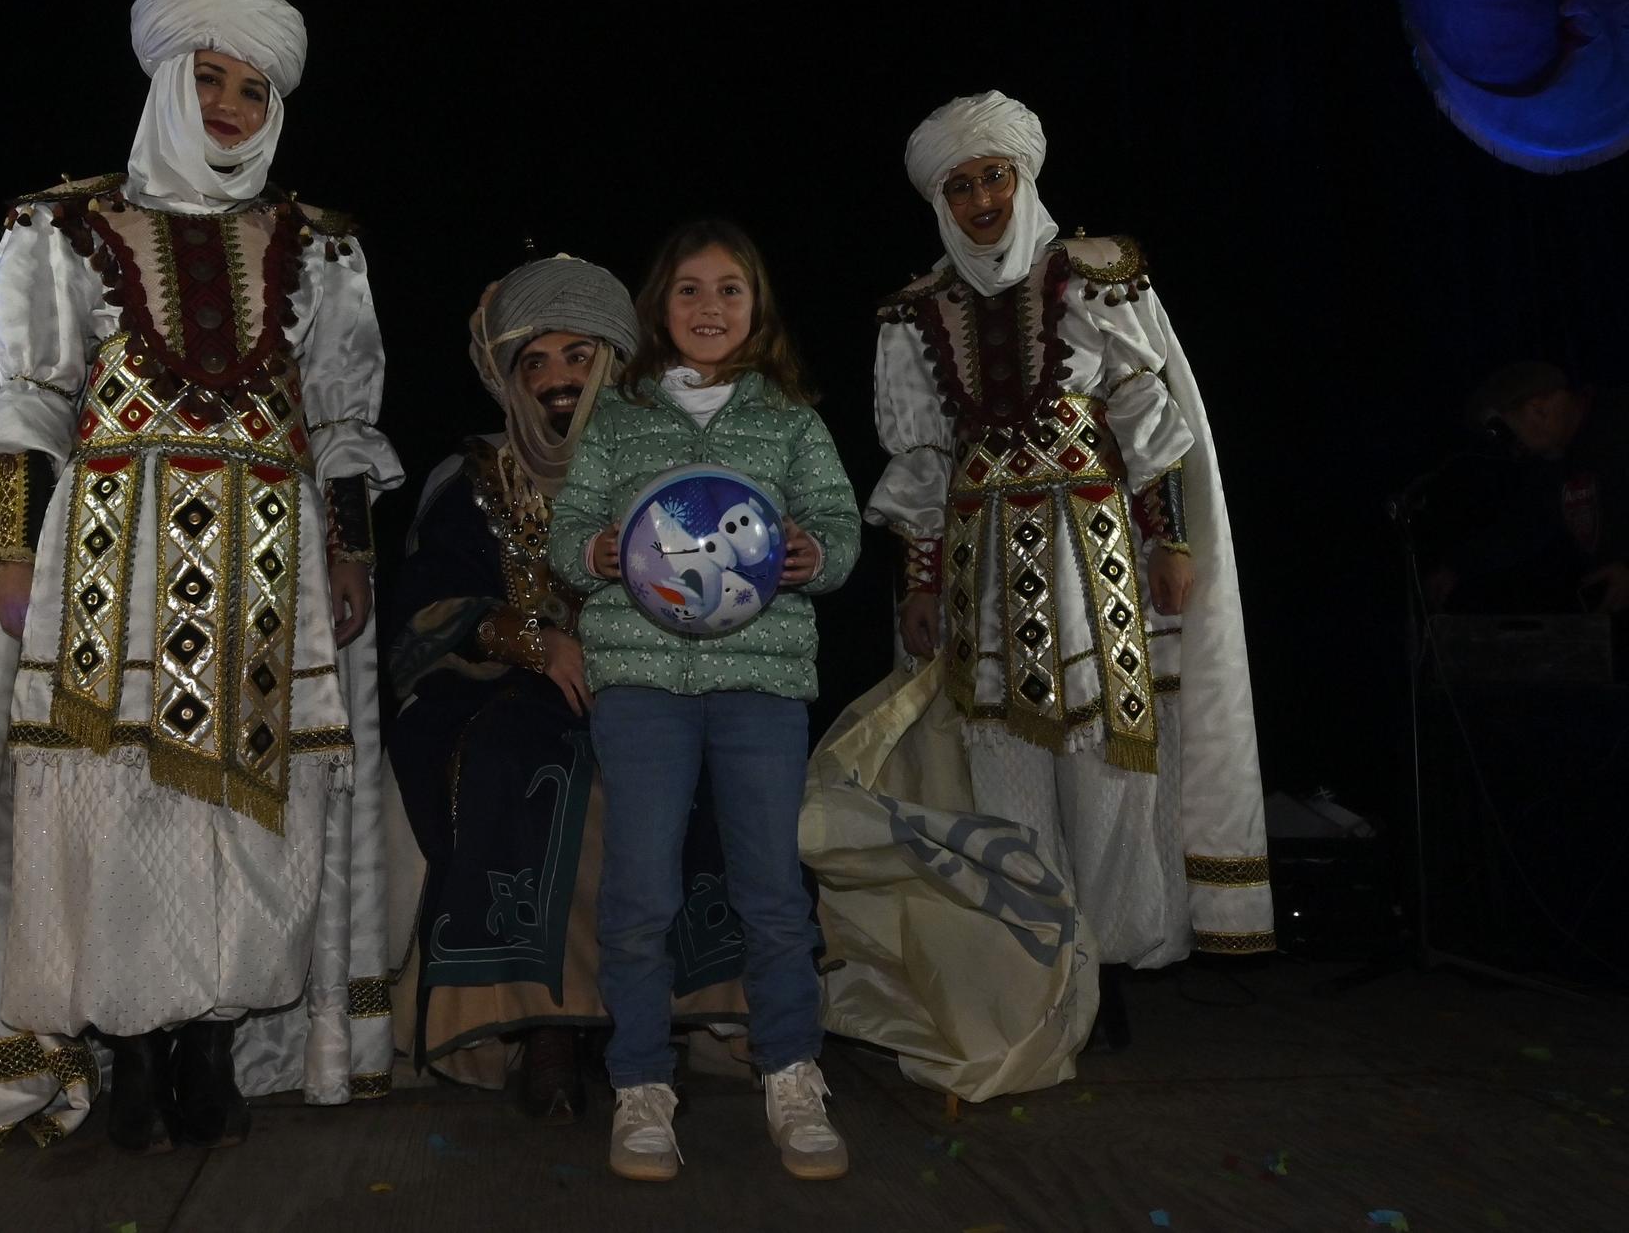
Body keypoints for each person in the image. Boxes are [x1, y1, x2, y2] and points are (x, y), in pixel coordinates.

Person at [0, 0, 402, 1167]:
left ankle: (213, 1043)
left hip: (271, 566)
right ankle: (127, 1053)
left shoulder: (320, 247)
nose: (228, 104)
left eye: (251, 87)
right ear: (167, 81)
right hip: (113, 545)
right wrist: (12, 545)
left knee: (255, 813)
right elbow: (36, 398)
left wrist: (352, 549)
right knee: (113, 811)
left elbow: (338, 420)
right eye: (208, 78)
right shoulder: (59, 224)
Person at [866, 91, 1272, 1045]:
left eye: (993, 177)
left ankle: (1111, 964)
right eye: (960, 185)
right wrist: (921, 582)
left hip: (1095, 564)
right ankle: (1038, 969)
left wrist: (1171, 541)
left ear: (1025, 177)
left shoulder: (1095, 277)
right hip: (979, 575)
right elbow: (921, 466)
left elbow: (1146, 418)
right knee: (1001, 768)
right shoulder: (914, 313)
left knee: (1108, 765)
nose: (980, 200)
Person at [386, 255, 746, 1122]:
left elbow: (723, 582)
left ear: (615, 364)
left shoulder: (670, 461)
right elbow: (425, 612)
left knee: (681, 754)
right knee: (526, 759)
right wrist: (534, 640)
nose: (555, 380)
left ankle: (652, 1022)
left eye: (576, 358)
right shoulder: (470, 478)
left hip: (657, 684)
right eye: (534, 363)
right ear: (507, 378)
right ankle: (545, 1031)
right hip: (499, 694)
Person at [547, 220, 861, 1182]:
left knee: (772, 891)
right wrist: (595, 553)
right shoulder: (618, 418)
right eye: (689, 289)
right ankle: (642, 1086)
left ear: (756, 307)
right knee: (640, 894)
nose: (710, 307)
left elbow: (841, 528)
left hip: (760, 684)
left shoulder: (792, 421)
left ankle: (793, 1078)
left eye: (730, 289)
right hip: (640, 684)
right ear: (659, 307)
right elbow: (567, 534)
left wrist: (817, 554)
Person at [1430, 361, 1629, 613]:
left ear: (1538, 410)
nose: (1513, 450)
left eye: (1505, 434)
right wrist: (1457, 567)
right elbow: (1526, 526)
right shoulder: (1552, 464)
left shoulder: (1619, 418)